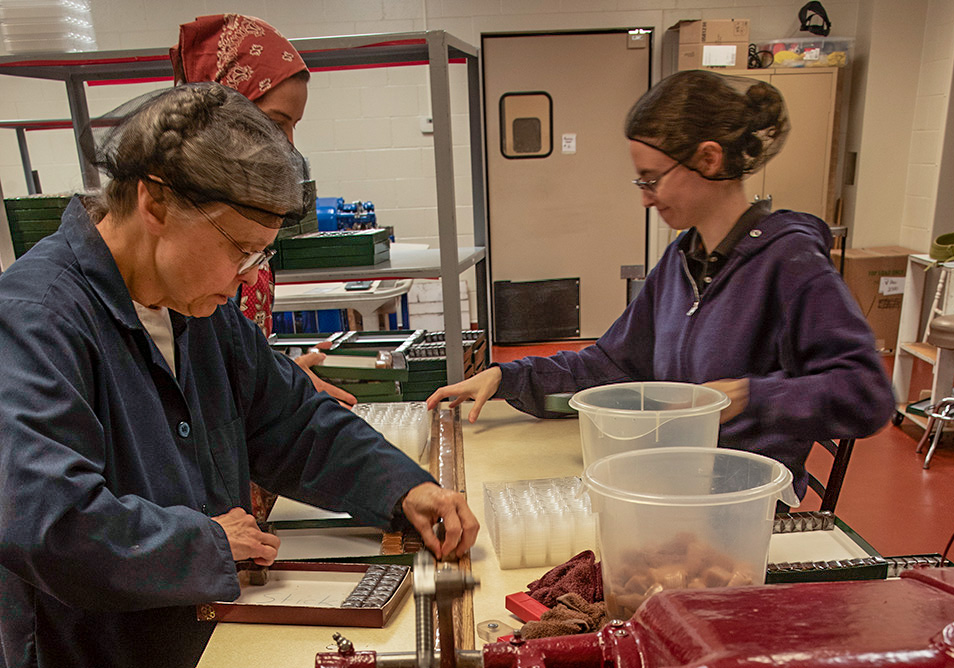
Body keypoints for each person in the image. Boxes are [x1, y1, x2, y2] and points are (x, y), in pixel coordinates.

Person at [0, 83, 478, 668]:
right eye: (239, 249)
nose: (245, 277)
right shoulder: (37, 319)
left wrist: (405, 489)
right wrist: (203, 543)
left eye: (260, 257)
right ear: (155, 203)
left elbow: (293, 423)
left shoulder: (197, 311)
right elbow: (45, 519)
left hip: (203, 634)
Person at [427, 70, 895, 500]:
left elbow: (865, 392)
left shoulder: (788, 263)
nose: (646, 198)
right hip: (673, 482)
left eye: (652, 180)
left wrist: (750, 396)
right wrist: (509, 377)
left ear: (708, 160)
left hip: (743, 506)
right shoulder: (682, 261)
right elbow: (610, 364)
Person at [170, 13, 358, 408]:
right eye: (275, 121)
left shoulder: (243, 222)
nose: (287, 144)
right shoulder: (185, 250)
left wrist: (278, 372)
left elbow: (230, 355)